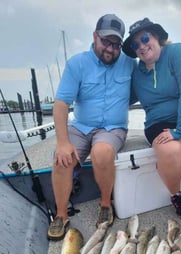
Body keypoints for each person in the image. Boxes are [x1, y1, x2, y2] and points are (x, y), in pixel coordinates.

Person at [47, 14, 136, 240]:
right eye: (106, 41)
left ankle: (105, 204)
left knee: (102, 152)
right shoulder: (77, 64)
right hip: (81, 126)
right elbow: (61, 104)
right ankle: (60, 214)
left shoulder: (130, 63)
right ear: (95, 37)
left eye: (116, 44)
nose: (111, 49)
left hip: (113, 128)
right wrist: (63, 142)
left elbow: (150, 78)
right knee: (61, 158)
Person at [122, 18, 181, 222]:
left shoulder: (178, 52)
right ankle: (177, 196)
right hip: (158, 122)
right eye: (135, 44)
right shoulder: (137, 73)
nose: (141, 46)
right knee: (171, 151)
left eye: (145, 38)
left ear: (156, 36)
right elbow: (123, 98)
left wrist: (179, 131)